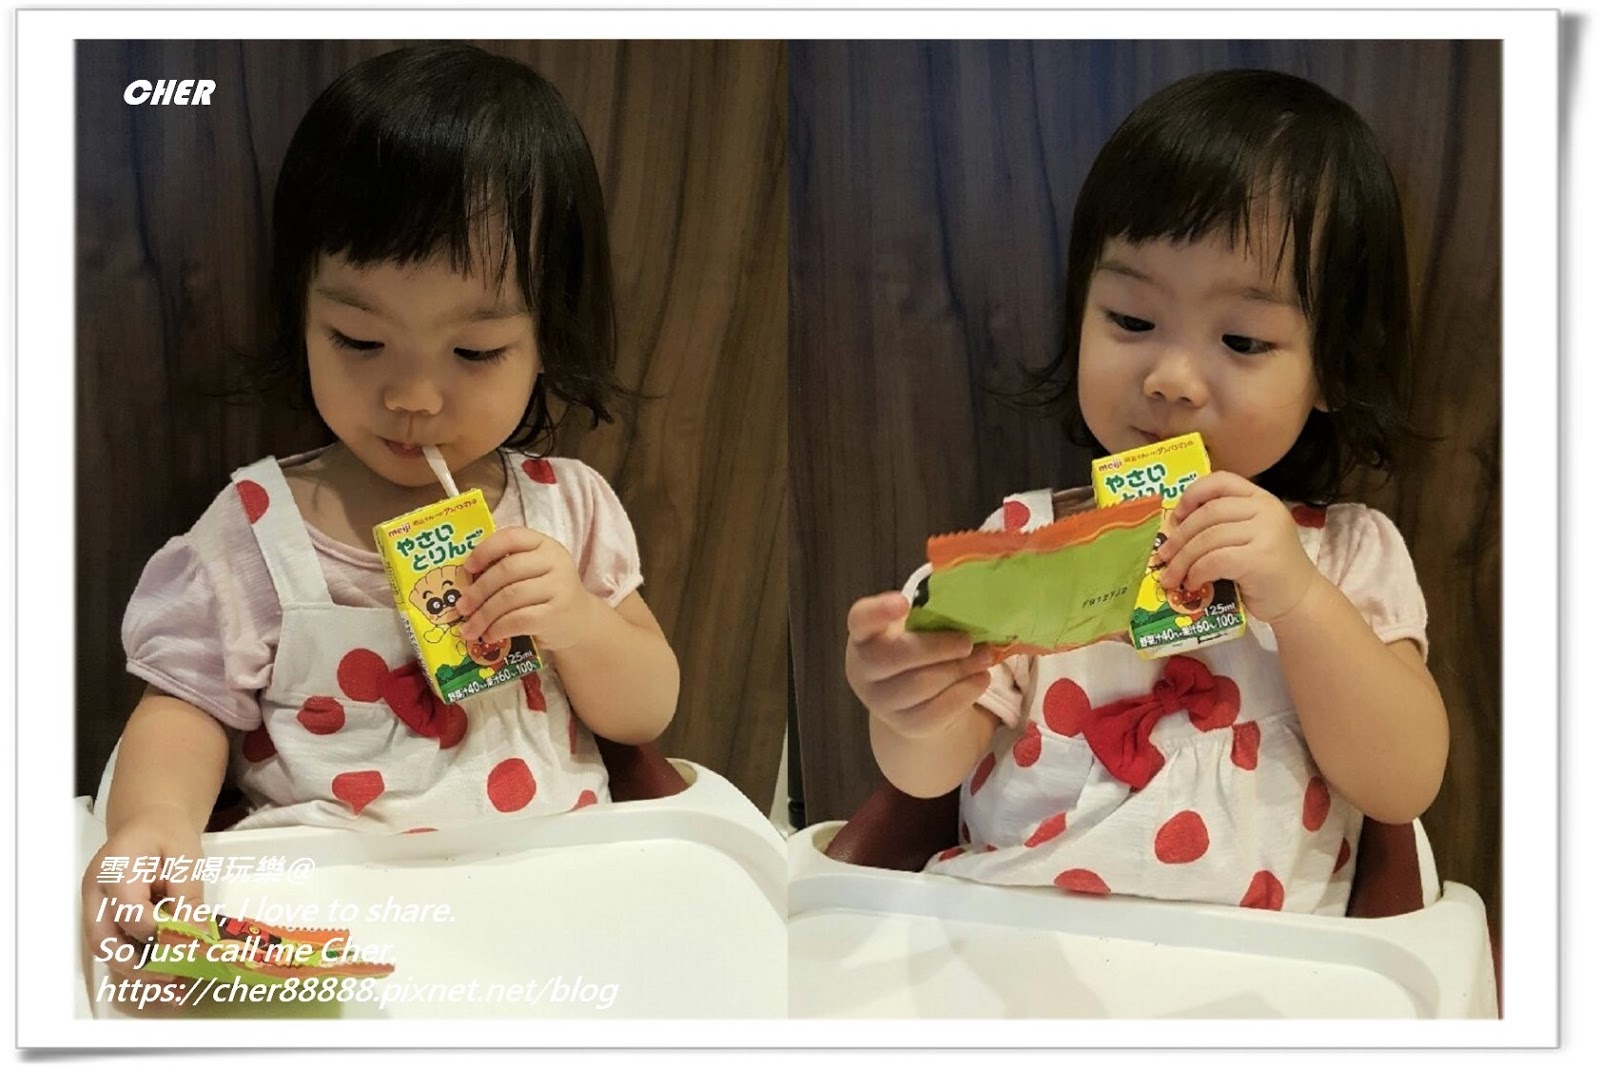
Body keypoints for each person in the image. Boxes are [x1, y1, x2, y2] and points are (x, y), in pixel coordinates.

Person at [83, 44, 680, 968]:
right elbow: (184, 708)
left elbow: (646, 711)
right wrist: (156, 821)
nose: (412, 397)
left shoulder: (566, 510)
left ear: (546, 339)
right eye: (359, 340)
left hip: (550, 900)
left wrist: (577, 622)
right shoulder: (259, 529)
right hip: (329, 910)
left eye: (475, 353)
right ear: (302, 313)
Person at [845, 69, 1448, 916]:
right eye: (1131, 321)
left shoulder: (1346, 556)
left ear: (1332, 369)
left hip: (1268, 967)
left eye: (1242, 340)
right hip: (1021, 931)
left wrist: (1302, 600)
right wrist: (909, 707)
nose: (1171, 379)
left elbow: (1403, 785)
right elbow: (926, 776)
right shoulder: (1024, 539)